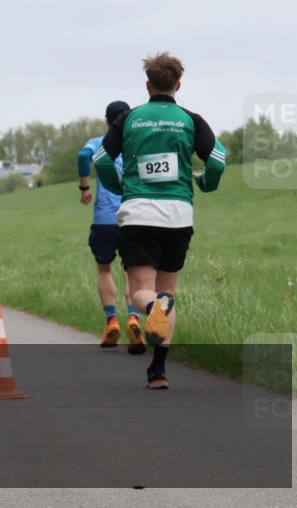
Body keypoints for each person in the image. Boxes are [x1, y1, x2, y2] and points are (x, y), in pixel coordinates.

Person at [94, 53, 226, 389]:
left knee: (142, 291)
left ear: (148, 85)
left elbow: (101, 158)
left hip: (138, 213)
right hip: (179, 215)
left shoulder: (130, 118)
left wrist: (117, 186)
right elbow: (218, 159)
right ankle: (158, 372)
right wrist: (207, 183)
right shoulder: (190, 119)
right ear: (178, 85)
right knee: (168, 291)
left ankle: (153, 308)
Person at [78, 101, 144, 353]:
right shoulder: (137, 143)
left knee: (104, 269)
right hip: (133, 216)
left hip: (104, 219)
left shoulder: (98, 142)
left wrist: (85, 188)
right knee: (132, 271)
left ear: (108, 121)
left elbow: (83, 156)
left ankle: (111, 322)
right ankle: (134, 319)